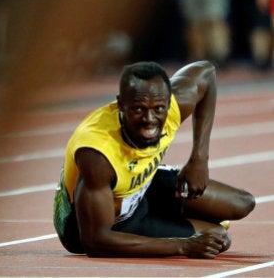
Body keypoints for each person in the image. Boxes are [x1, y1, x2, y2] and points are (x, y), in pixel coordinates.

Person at [53, 61, 255, 258]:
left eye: (158, 109)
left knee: (242, 203)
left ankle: (168, 218)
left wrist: (199, 158)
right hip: (108, 222)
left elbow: (206, 73)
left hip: (142, 185)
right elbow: (95, 241)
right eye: (138, 109)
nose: (149, 119)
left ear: (169, 103)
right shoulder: (98, 155)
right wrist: (183, 246)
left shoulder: (172, 107)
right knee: (219, 238)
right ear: (121, 105)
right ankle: (164, 222)